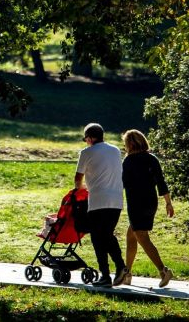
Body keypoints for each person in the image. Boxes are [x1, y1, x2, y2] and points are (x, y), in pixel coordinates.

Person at [74, 123, 128, 287]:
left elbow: (78, 179)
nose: (86, 142)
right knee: (107, 234)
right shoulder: (115, 150)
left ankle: (107, 274)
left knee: (98, 238)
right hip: (117, 200)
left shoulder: (86, 152)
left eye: (86, 139)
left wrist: (81, 189)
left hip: (98, 200)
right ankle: (120, 267)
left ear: (89, 138)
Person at [120, 129, 175, 288]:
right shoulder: (152, 158)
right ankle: (127, 273)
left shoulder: (129, 161)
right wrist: (168, 203)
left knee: (142, 237)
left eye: (125, 143)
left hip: (136, 203)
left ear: (130, 144)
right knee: (131, 235)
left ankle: (164, 271)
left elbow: (122, 184)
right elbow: (161, 182)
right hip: (151, 203)